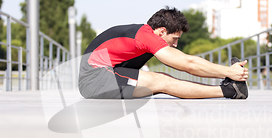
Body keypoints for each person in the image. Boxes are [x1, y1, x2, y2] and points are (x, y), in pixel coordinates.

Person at [78, 7, 248, 99]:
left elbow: (183, 63)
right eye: (174, 39)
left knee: (160, 79)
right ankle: (230, 91)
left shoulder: (143, 35)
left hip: (103, 76)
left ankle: (230, 89)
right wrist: (228, 71)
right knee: (161, 81)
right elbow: (188, 64)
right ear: (160, 31)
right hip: (95, 81)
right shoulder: (145, 36)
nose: (175, 45)